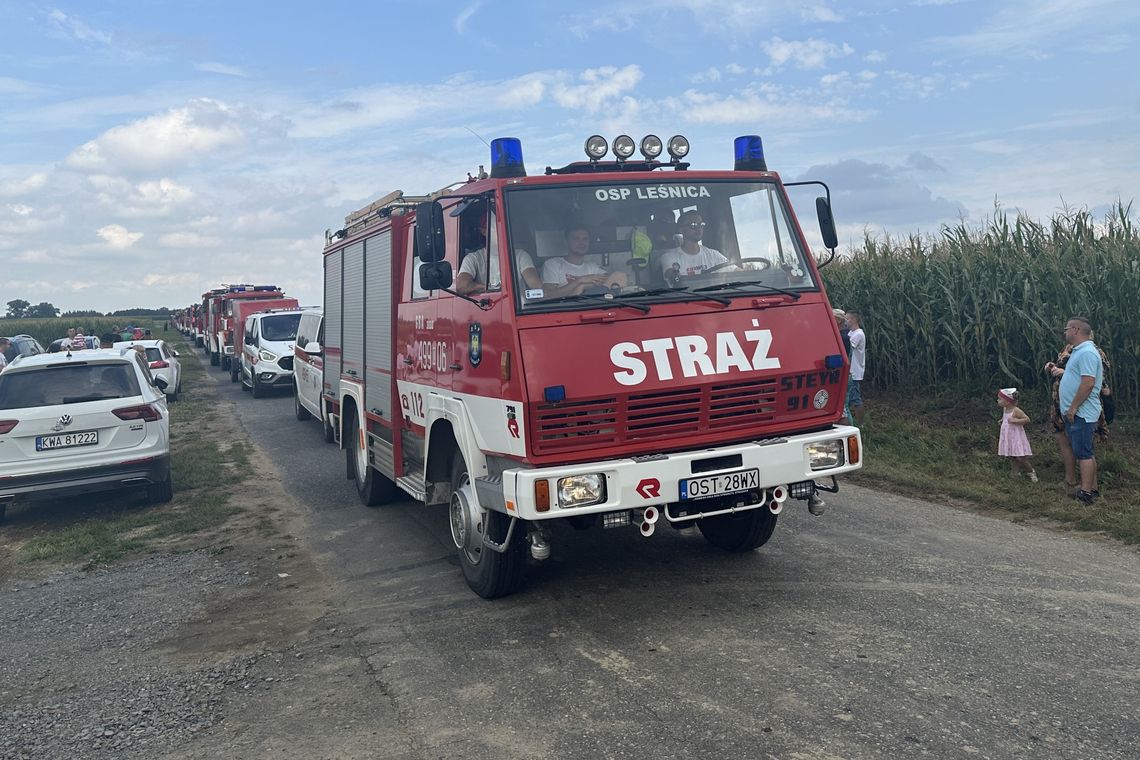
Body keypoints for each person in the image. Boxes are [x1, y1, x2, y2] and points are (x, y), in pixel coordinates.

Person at [1045, 317, 1104, 504]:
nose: (1065, 332)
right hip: (1077, 412)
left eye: (1066, 329)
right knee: (1085, 451)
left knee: (1084, 453)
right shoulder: (1079, 351)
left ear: (1076, 330)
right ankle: (1092, 489)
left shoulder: (1087, 353)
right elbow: (1077, 377)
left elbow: (1088, 383)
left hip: (1082, 413)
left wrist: (1073, 407)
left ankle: (1085, 494)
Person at [454, 207, 544, 296]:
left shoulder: (521, 255)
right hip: (488, 308)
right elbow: (461, 286)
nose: (502, 231)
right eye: (496, 227)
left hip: (518, 309)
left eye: (505, 227)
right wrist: (487, 288)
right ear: (484, 231)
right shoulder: (472, 259)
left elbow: (536, 286)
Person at [541, 224, 628, 296]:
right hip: (566, 312)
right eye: (576, 238)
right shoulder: (553, 264)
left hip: (594, 309)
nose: (581, 243)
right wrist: (580, 281)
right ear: (566, 241)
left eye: (585, 239)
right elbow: (548, 296)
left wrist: (582, 287)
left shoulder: (592, 267)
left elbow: (616, 279)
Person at [658, 210, 732, 281]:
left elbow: (739, 273)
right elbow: (674, 277)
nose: (699, 229)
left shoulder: (713, 255)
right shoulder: (669, 257)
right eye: (693, 225)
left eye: (701, 225)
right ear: (681, 230)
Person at [996, 387, 1037, 481]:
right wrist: (1002, 420)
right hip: (1008, 436)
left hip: (1016, 437)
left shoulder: (1016, 410)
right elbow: (1005, 418)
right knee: (1012, 456)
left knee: (1021, 457)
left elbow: (1027, 419)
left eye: (1000, 399)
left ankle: (1031, 471)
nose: (998, 400)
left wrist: (1015, 420)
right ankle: (1014, 473)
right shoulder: (1005, 409)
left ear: (1007, 401)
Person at [845, 311, 866, 426]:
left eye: (847, 318)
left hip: (854, 372)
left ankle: (860, 424)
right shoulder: (850, 333)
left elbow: (847, 348)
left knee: (856, 399)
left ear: (853, 320)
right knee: (850, 398)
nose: (845, 321)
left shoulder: (858, 334)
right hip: (851, 371)